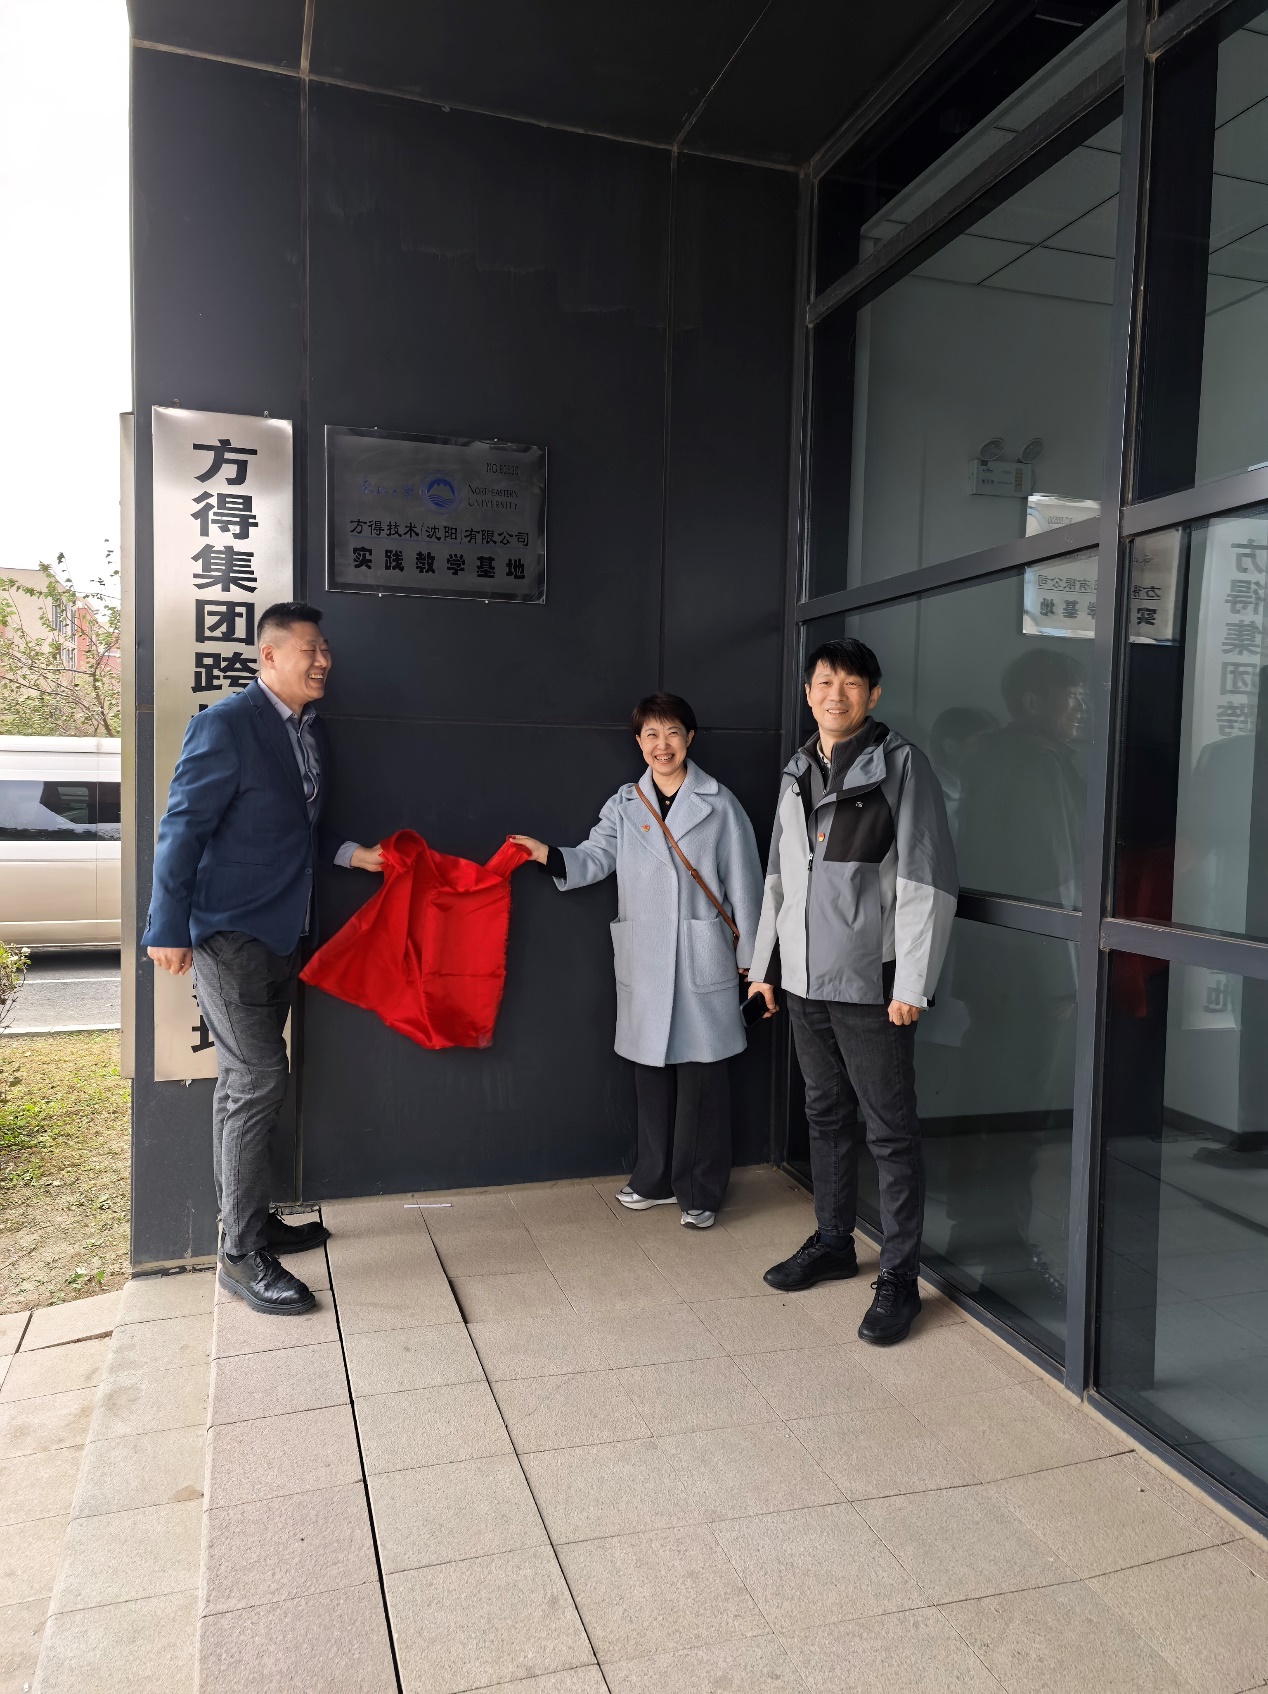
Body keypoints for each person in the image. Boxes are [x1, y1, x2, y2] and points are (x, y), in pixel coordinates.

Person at [143, 602, 383, 1317]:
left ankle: (251, 1221)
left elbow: (297, 828)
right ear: (269, 656)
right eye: (311, 649)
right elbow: (182, 828)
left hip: (284, 932)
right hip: (228, 933)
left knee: (243, 1085)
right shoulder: (226, 725)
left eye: (326, 649)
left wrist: (352, 854)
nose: (324, 661)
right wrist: (166, 927)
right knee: (257, 1080)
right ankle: (241, 1254)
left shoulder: (310, 730)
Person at [747, 638, 957, 1344]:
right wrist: (764, 967)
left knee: (889, 1132)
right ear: (809, 693)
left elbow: (928, 882)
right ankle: (834, 1241)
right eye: (824, 682)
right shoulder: (798, 768)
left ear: (873, 694)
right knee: (826, 1116)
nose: (835, 693)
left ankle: (899, 1277)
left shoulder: (902, 766)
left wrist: (913, 983)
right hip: (805, 981)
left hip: (873, 983)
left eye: (850, 683)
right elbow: (779, 877)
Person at [512, 693, 763, 1227]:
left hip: (700, 953)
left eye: (672, 732)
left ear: (689, 738)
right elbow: (594, 857)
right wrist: (546, 855)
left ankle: (700, 1191)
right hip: (646, 955)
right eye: (651, 734)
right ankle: (654, 1177)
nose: (661, 745)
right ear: (638, 742)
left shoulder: (721, 804)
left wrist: (754, 962)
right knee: (650, 1071)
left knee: (702, 1077)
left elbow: (746, 884)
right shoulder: (625, 805)